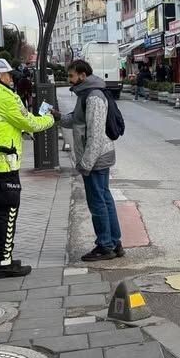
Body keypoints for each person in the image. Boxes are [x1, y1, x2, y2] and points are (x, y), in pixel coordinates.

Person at [0, 58, 55, 277]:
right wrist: (50, 119)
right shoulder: (7, 98)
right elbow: (30, 123)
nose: (11, 78)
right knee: (7, 214)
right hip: (4, 166)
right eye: (9, 75)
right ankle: (4, 263)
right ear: (0, 77)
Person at [61, 60, 124, 262]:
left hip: (96, 158)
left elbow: (95, 135)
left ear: (82, 75)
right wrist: (57, 117)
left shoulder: (94, 96)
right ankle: (114, 242)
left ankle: (105, 245)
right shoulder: (85, 94)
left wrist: (85, 164)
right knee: (104, 199)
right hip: (96, 156)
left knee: (98, 202)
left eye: (71, 76)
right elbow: (77, 120)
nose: (68, 80)